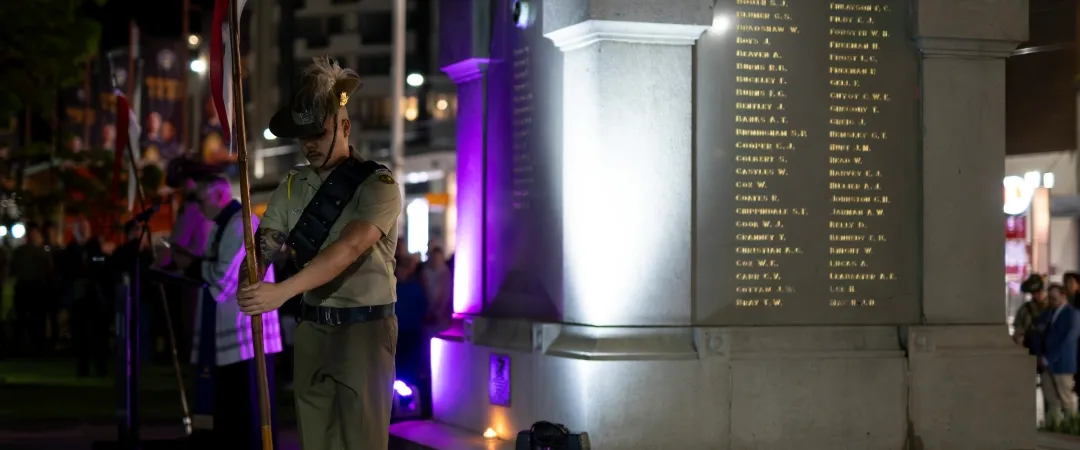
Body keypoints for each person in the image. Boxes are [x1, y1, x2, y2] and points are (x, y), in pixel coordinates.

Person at [237, 56, 402, 450]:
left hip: (363, 331)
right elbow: (263, 243)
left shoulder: (378, 184)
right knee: (315, 441)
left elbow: (349, 248)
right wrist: (251, 279)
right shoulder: (294, 184)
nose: (309, 144)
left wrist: (280, 292)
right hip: (312, 329)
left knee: (361, 442)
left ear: (344, 127)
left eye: (319, 132)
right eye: (303, 136)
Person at [191, 176, 282, 448]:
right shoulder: (222, 226)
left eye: (200, 199)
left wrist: (196, 268)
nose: (198, 207)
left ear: (219, 196)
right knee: (231, 416)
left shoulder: (242, 225)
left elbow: (221, 281)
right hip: (229, 337)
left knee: (248, 415)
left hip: (247, 337)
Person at [1037, 284, 1080, 420]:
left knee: (1066, 399)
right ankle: (1054, 427)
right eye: (1050, 298)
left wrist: (1049, 358)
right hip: (1046, 364)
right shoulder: (1048, 313)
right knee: (1052, 400)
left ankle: (1071, 428)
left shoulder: (1072, 314)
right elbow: (1039, 334)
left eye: (1054, 298)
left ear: (1063, 296)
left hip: (1062, 363)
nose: (1051, 301)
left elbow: (1068, 340)